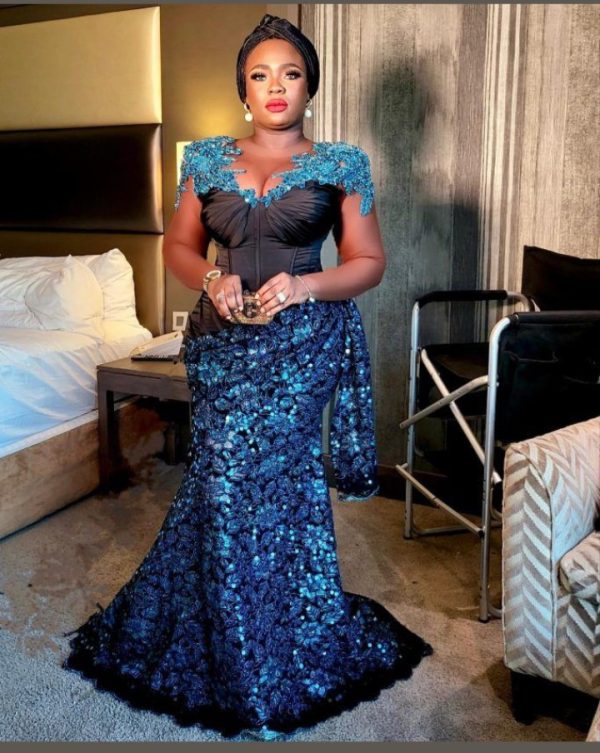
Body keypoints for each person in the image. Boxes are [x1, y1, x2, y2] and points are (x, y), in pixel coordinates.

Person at [61, 13, 432, 741]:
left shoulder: (343, 164)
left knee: (276, 480)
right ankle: (237, 632)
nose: (275, 86)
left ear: (309, 87)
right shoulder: (203, 159)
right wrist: (213, 278)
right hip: (221, 344)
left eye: (290, 74)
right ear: (243, 90)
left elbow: (368, 262)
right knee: (224, 475)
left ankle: (278, 635)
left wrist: (306, 285)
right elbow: (177, 246)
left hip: (303, 346)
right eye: (260, 75)